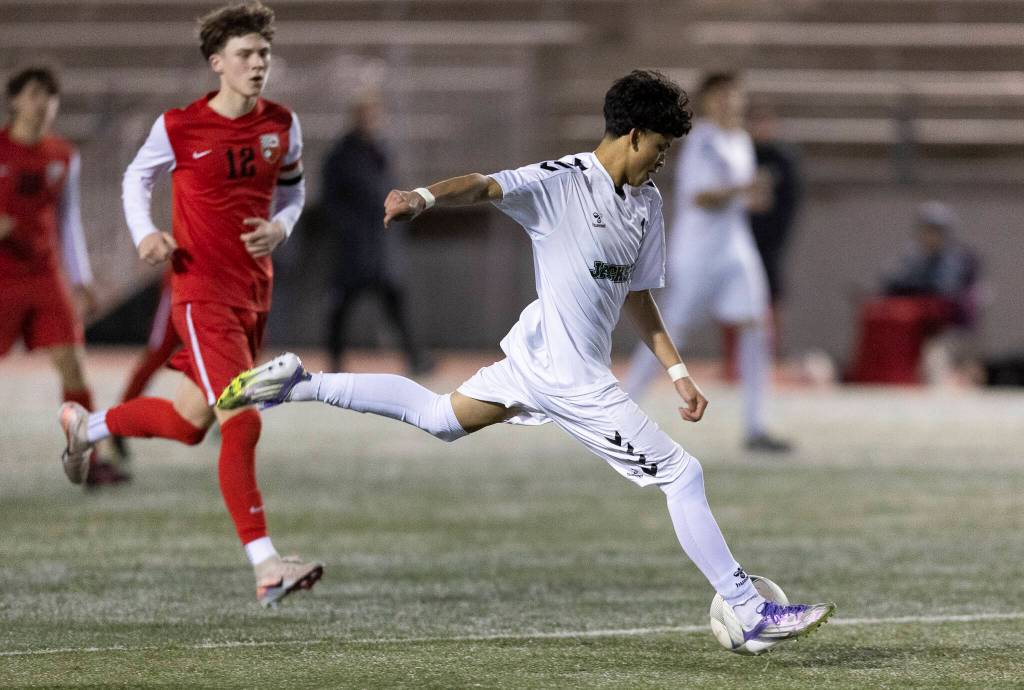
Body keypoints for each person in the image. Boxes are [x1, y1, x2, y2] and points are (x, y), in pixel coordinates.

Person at [219, 70, 835, 648]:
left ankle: (298, 384)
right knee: (682, 475)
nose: (664, 160)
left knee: (439, 417)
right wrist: (422, 197)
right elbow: (486, 186)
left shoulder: (646, 205)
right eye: (662, 148)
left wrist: (678, 373)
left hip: (539, 360)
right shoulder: (562, 180)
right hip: (572, 379)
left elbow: (639, 297)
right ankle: (748, 609)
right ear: (634, 134)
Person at [57, 1, 323, 608]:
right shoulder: (179, 125)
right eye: (245, 56)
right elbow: (135, 178)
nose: (258, 64)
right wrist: (145, 233)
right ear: (217, 64)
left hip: (254, 291)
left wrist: (281, 227)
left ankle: (86, 427)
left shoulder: (283, 123)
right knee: (244, 420)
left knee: (186, 423)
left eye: (264, 54)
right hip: (201, 294)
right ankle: (266, 566)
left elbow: (295, 189)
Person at [623, 72, 791, 453]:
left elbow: (739, 199)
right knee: (671, 333)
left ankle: (755, 425)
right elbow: (700, 198)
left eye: (735, 95)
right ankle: (619, 411)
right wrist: (742, 189)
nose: (731, 103)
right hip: (698, 252)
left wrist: (754, 196)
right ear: (708, 101)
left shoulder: (740, 140)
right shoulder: (703, 141)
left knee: (755, 328)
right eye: (722, 96)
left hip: (734, 248)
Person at [0, 66, 125, 487]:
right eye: (34, 93)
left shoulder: (64, 155)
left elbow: (68, 220)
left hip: (44, 275)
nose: (43, 103)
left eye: (50, 96)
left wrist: (81, 277)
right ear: (15, 99)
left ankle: (91, 461)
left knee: (74, 366)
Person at [321, 93, 432, 374]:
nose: (372, 122)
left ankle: (416, 359)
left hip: (382, 246)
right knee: (341, 308)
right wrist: (347, 229)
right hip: (354, 248)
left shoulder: (383, 153)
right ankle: (334, 362)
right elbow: (330, 200)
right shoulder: (340, 155)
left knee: (397, 306)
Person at [848, 201, 981, 384]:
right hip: (913, 323)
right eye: (927, 229)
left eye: (936, 230)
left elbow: (945, 290)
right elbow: (893, 282)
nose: (931, 235)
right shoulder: (913, 255)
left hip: (945, 325)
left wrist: (916, 289)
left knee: (936, 360)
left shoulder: (957, 259)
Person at [721, 105, 804, 379]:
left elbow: (786, 201)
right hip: (740, 238)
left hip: (771, 240)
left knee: (772, 297)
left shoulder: (783, 158)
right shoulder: (741, 154)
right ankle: (732, 359)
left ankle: (771, 357)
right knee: (730, 299)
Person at [110, 270, 180, 459]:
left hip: (217, 287)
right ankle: (118, 421)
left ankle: (227, 414)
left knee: (227, 354)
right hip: (184, 283)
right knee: (156, 355)